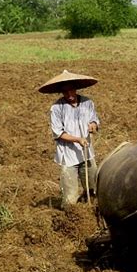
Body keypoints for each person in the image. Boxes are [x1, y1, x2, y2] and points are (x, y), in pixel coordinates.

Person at [38, 70, 100, 209]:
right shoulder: (56, 108)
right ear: (61, 92)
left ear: (76, 89)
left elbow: (94, 120)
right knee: (70, 199)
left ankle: (92, 213)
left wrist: (93, 126)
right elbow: (58, 133)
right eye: (65, 92)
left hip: (87, 154)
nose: (69, 95)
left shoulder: (87, 103)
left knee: (94, 190)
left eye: (71, 91)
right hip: (69, 157)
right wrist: (77, 139)